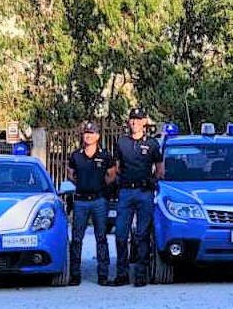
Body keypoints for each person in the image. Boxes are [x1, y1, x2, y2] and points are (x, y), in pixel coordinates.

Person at [110, 107, 163, 287]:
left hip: (144, 193)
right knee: (120, 234)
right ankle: (122, 273)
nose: (134, 122)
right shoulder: (122, 143)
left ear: (144, 123)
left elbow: (160, 169)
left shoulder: (153, 144)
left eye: (138, 119)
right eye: (132, 119)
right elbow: (117, 167)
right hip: (125, 192)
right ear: (129, 121)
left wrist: (150, 182)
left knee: (142, 235)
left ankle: (141, 274)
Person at [66, 121, 116, 286]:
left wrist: (99, 188)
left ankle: (103, 275)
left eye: (92, 133)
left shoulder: (105, 156)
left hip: (99, 201)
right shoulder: (75, 155)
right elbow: (71, 175)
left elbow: (111, 176)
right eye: (86, 133)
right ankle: (75, 275)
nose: (88, 135)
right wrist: (84, 185)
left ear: (98, 136)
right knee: (77, 239)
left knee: (101, 237)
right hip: (80, 201)